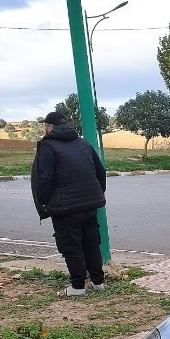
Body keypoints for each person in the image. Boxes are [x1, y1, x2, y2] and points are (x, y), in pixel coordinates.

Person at [31, 111, 107, 298]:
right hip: (90, 204)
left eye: (45, 125)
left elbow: (45, 177)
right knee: (91, 243)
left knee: (71, 246)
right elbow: (100, 171)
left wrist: (44, 201)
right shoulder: (83, 143)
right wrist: (96, 194)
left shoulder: (48, 146)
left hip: (65, 208)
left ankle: (78, 287)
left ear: (49, 127)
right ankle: (98, 283)